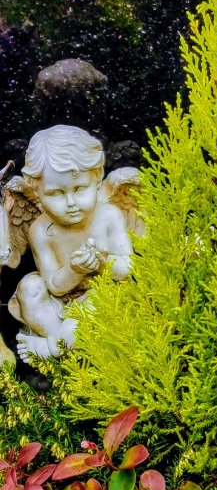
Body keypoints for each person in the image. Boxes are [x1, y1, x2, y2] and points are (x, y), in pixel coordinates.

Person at [9, 125, 133, 359]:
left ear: (97, 177)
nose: (70, 203)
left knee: (87, 314)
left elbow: (129, 269)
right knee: (29, 288)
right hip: (63, 299)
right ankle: (62, 343)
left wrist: (102, 263)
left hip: (103, 295)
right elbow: (54, 286)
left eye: (79, 188)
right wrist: (74, 270)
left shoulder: (109, 216)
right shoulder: (41, 230)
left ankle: (54, 348)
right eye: (55, 193)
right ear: (36, 190)